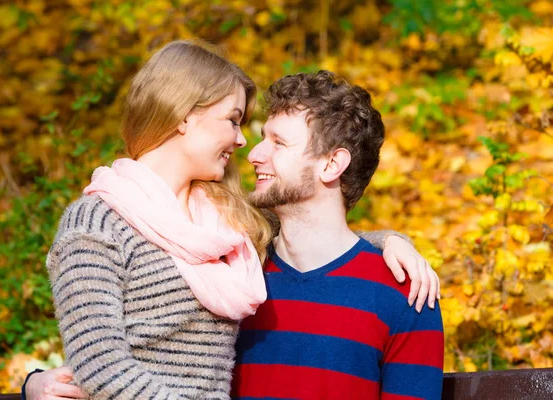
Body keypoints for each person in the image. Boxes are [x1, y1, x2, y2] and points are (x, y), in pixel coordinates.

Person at [24, 41, 440, 400]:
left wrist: (390, 241)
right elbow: (109, 355)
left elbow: (326, 251)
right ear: (183, 115)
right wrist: (34, 384)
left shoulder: (231, 236)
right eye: (237, 123)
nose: (249, 148)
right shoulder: (230, 254)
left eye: (276, 142)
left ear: (333, 163)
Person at [231, 71, 444, 399]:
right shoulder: (235, 275)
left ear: (332, 164)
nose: (255, 154)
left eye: (278, 143)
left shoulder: (406, 292)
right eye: (263, 138)